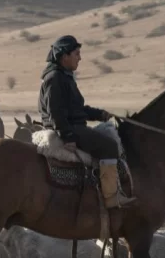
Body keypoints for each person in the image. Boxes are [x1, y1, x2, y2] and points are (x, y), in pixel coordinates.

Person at [37, 35, 136, 208]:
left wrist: (101, 114)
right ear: (64, 56)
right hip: (68, 128)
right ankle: (111, 197)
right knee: (109, 146)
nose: (80, 58)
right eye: (76, 54)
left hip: (72, 125)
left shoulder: (64, 76)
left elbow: (77, 109)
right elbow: (55, 112)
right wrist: (67, 136)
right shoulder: (55, 78)